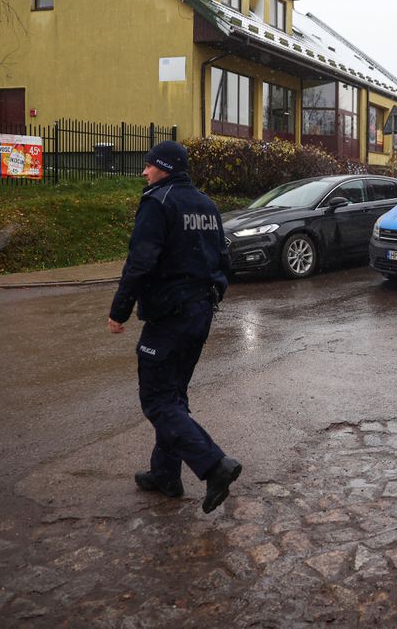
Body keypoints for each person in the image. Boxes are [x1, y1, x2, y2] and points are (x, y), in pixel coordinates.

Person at [107, 140, 241, 514]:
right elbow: (223, 260)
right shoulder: (207, 205)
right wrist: (213, 293)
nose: (144, 171)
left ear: (163, 167)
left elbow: (140, 262)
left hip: (170, 316)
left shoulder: (158, 203)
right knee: (174, 396)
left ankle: (215, 466)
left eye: (149, 165)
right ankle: (164, 474)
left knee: (157, 399)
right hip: (200, 313)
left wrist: (119, 311)